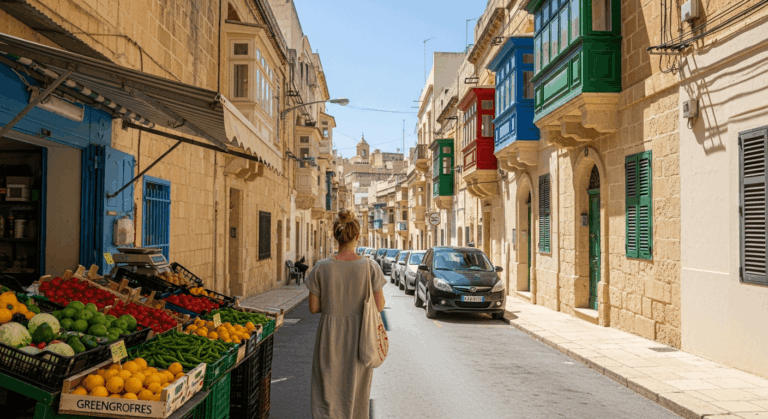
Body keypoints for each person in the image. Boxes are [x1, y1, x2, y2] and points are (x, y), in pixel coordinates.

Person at [305, 209, 386, 419]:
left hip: (330, 337)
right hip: (361, 338)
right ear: (358, 236)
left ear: (335, 235)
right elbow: (378, 305)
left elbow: (313, 307)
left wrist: (334, 303)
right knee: (357, 393)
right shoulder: (371, 267)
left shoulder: (321, 268)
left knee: (327, 392)